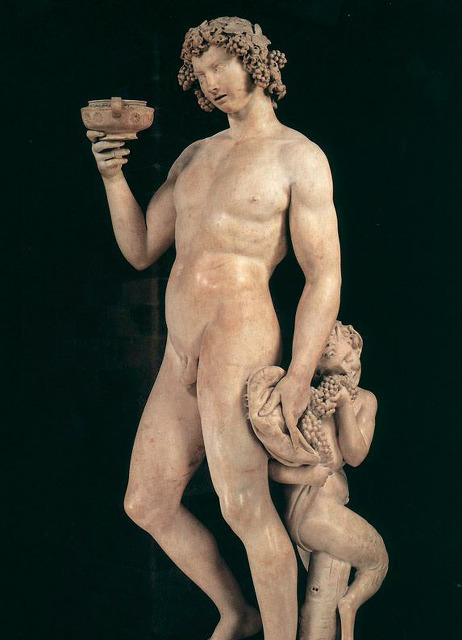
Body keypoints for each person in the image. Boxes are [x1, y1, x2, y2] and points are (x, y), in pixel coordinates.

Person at [87, 17, 341, 640]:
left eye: (220, 65)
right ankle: (238, 612)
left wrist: (299, 374)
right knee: (147, 501)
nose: (209, 81)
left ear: (254, 62)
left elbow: (324, 276)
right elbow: (141, 248)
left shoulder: (297, 156)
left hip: (240, 334)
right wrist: (113, 178)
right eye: (199, 73)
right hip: (181, 347)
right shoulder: (195, 156)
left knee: (243, 505)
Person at [267, 322, 388, 640]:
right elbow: (270, 469)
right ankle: (350, 609)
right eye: (321, 342)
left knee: (322, 599)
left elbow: (355, 455)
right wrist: (305, 475)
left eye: (336, 337)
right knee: (378, 561)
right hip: (313, 513)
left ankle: (336, 617)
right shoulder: (303, 398)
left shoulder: (364, 400)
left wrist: (345, 404)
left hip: (330, 513)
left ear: (355, 346)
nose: (328, 341)